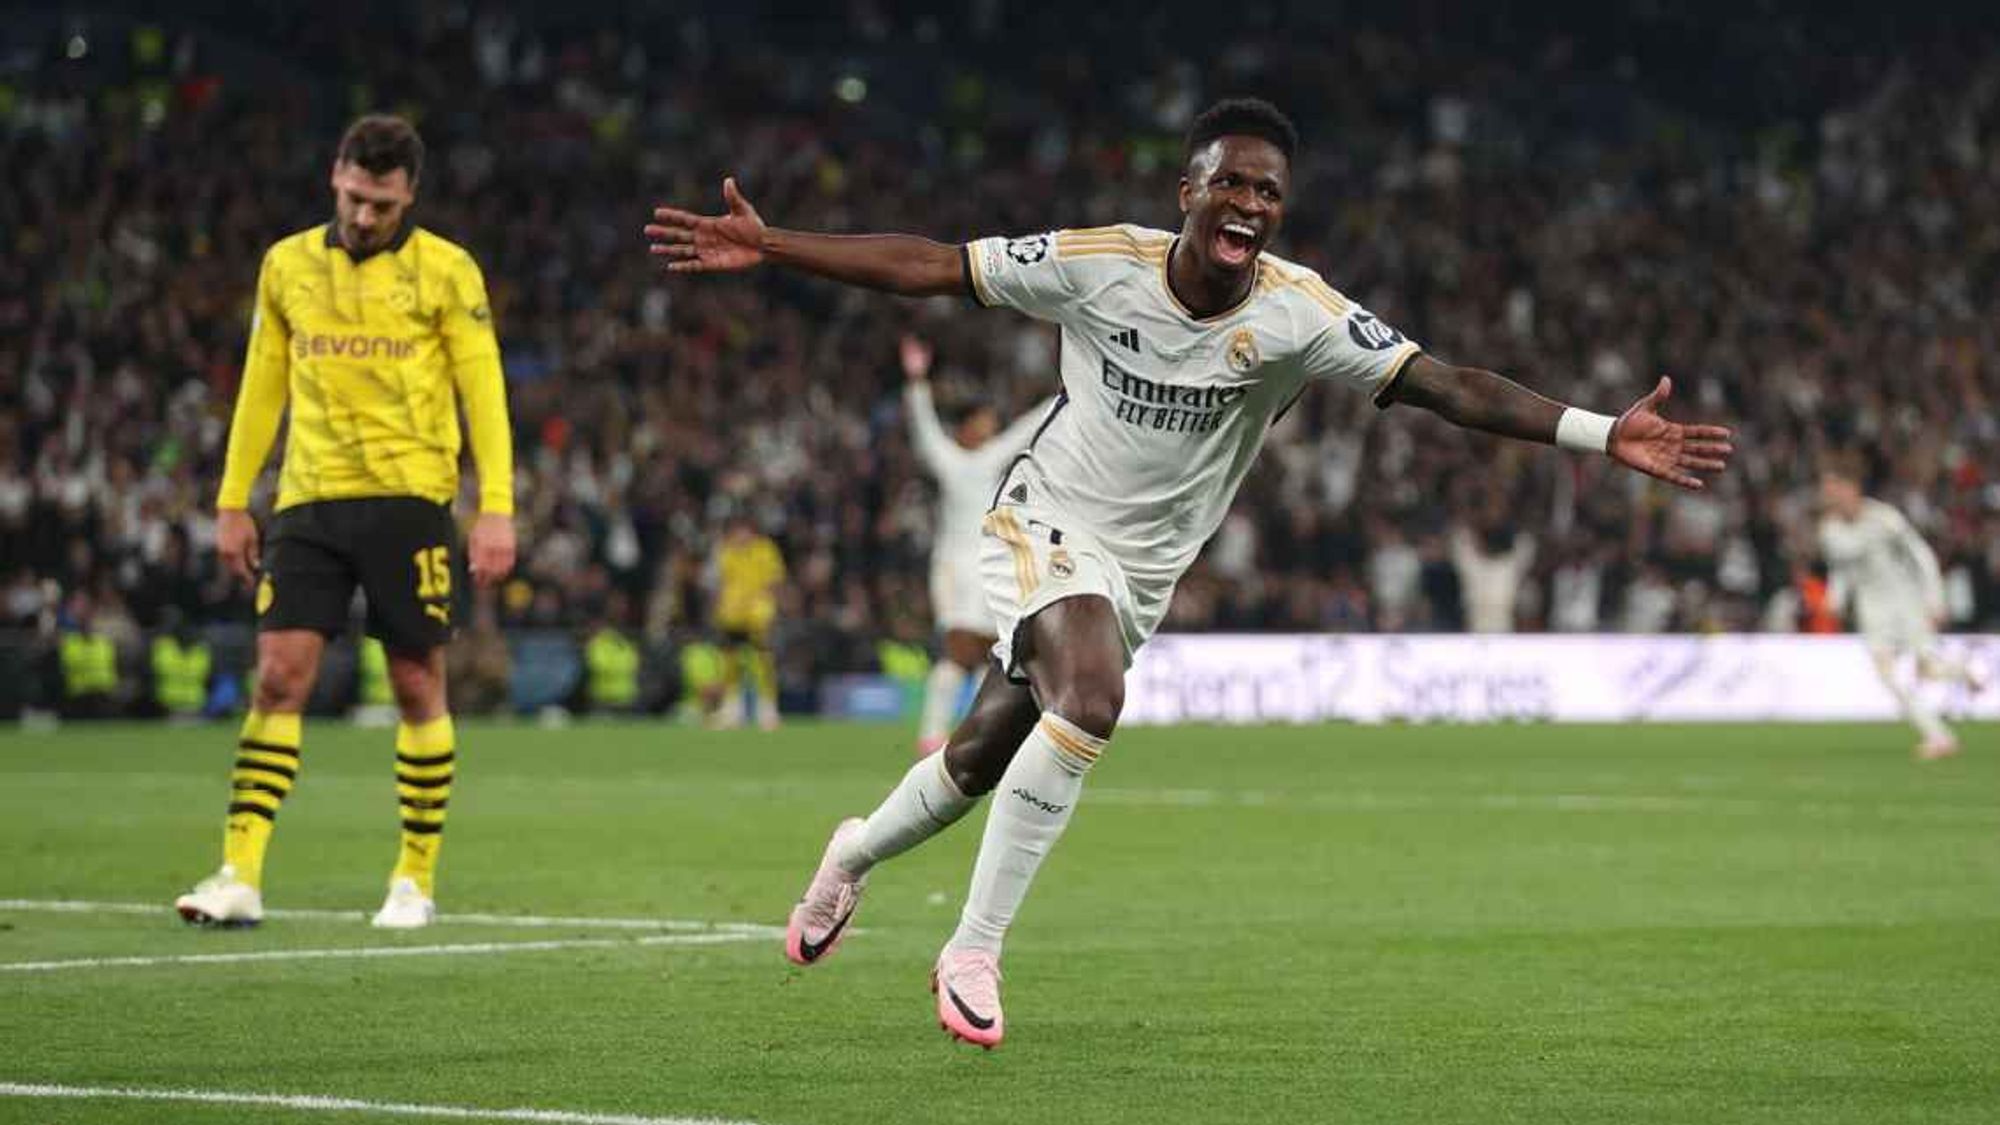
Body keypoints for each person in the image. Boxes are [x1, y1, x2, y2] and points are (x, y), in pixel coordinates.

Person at [646, 97, 1733, 1047]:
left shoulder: (1298, 315)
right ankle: (973, 950)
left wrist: (1601, 434)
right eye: (1231, 183)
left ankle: (852, 852)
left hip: (1142, 576)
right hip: (1045, 522)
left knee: (979, 755)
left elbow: (1444, 384)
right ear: (1188, 190)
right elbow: (936, 266)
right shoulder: (1095, 265)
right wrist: (776, 246)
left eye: (1267, 191)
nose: (1249, 205)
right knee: (1090, 697)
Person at [174, 115, 516, 930]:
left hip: (410, 498)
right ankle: (241, 873)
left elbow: (484, 391)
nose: (366, 217)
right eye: (358, 198)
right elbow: (262, 382)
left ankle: (413, 879)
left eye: (384, 205)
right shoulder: (286, 265)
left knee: (414, 682)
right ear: (336, 175)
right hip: (309, 498)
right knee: (278, 678)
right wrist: (232, 498)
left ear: (410, 196)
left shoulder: (448, 271)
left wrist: (496, 505)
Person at [900, 332, 1056, 755]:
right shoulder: (951, 460)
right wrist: (916, 382)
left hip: (991, 567)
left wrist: (1067, 394)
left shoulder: (991, 461)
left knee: (990, 653)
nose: (991, 427)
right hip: (953, 568)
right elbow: (924, 428)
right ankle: (932, 734)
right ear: (968, 427)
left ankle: (971, 732)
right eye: (984, 421)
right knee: (957, 649)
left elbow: (1026, 430)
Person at [1818, 454, 1986, 759]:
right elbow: (1840, 569)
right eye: (1826, 490)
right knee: (1887, 675)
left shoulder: (1885, 519)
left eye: (1833, 488)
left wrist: (1935, 598)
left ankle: (1964, 673)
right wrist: (1835, 599)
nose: (1829, 496)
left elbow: (1920, 555)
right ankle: (1939, 737)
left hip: (1906, 603)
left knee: (1929, 670)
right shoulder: (1831, 531)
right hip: (1873, 610)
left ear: (1851, 488)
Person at [711, 514, 786, 730]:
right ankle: (732, 711)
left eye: (744, 530)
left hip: (758, 615)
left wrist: (766, 607)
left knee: (762, 661)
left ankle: (768, 711)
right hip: (732, 614)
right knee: (730, 662)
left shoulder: (765, 550)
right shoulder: (726, 552)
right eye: (736, 531)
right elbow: (723, 583)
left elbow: (774, 581)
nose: (741, 535)